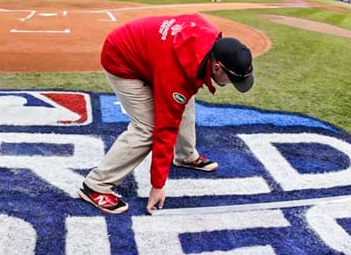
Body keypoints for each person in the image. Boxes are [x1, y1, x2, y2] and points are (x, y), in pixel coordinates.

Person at [77, 13, 255, 215]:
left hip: (151, 53)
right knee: (147, 128)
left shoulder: (209, 40)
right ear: (217, 67)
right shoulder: (177, 74)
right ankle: (95, 185)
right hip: (121, 57)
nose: (232, 84)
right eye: (232, 79)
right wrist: (158, 184)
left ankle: (185, 155)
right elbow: (166, 127)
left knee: (185, 100)